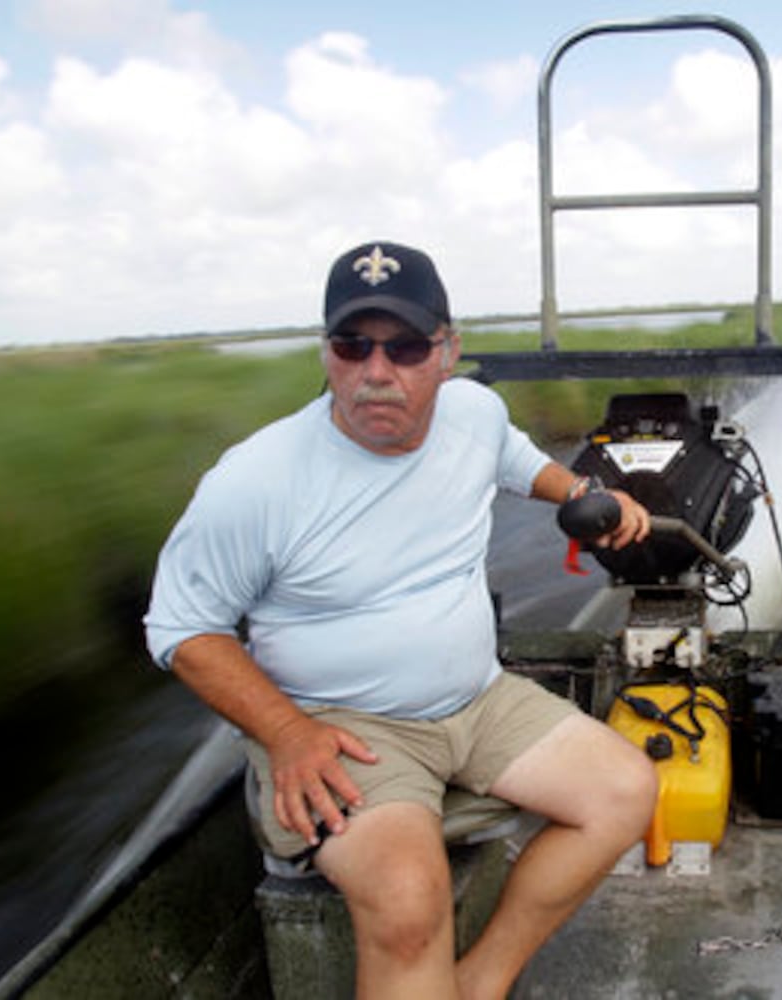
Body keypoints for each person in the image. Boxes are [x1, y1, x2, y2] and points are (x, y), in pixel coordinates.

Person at [144, 240, 658, 999]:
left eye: (407, 347)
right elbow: (182, 629)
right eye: (353, 346)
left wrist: (591, 495)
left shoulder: (473, 412)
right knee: (410, 905)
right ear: (326, 353)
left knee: (625, 790)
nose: (376, 373)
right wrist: (287, 733)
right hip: (341, 724)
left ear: (447, 352)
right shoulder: (255, 481)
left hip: (478, 702)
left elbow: (516, 461)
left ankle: (480, 982)